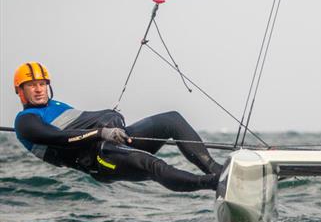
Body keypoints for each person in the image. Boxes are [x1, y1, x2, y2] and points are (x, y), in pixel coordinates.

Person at [12, 62, 222, 192]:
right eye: (31, 85)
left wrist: (111, 124)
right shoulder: (25, 121)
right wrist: (101, 132)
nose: (39, 89)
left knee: (171, 120)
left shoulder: (57, 106)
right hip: (101, 160)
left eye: (42, 84)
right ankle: (213, 184)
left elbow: (88, 120)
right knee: (152, 164)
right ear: (20, 91)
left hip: (114, 141)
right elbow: (61, 138)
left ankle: (218, 172)